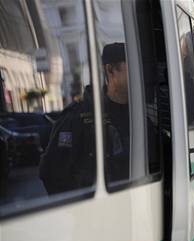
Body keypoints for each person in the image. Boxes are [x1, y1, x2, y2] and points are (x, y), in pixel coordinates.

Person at [39, 43, 132, 194]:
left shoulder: (139, 114)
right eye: (131, 66)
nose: (138, 73)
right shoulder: (76, 118)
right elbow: (51, 172)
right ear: (110, 70)